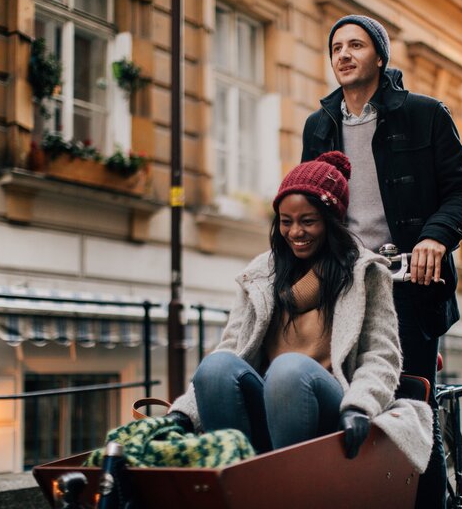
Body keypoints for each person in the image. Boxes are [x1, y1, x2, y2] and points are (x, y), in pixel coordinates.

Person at [301, 15, 462, 508]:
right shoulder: (319, 126)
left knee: (407, 406)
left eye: (355, 45)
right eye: (336, 47)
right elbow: (308, 205)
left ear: (379, 57)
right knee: (341, 402)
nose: (343, 54)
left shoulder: (424, 114)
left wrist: (435, 238)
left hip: (410, 284)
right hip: (344, 286)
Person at [168, 151, 433, 473]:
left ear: (331, 222)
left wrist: (360, 406)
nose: (295, 232)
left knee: (290, 368)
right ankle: (238, 480)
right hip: (264, 405)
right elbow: (232, 348)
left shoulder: (364, 273)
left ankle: (286, 486)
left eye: (308, 221)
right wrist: (182, 413)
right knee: (215, 365)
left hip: (328, 406)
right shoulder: (260, 273)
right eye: (286, 221)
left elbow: (382, 355)